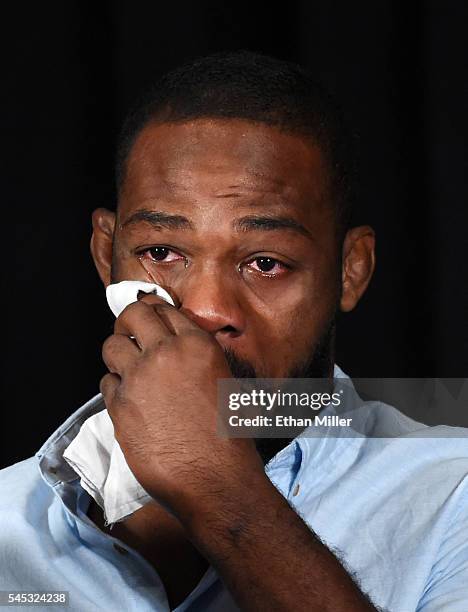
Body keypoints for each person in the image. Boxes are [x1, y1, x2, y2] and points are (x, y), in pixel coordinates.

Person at [1, 50, 467, 612]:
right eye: (161, 252)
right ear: (107, 257)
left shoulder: (450, 497)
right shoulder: (9, 526)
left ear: (351, 270)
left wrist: (218, 488)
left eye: (265, 263)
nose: (205, 309)